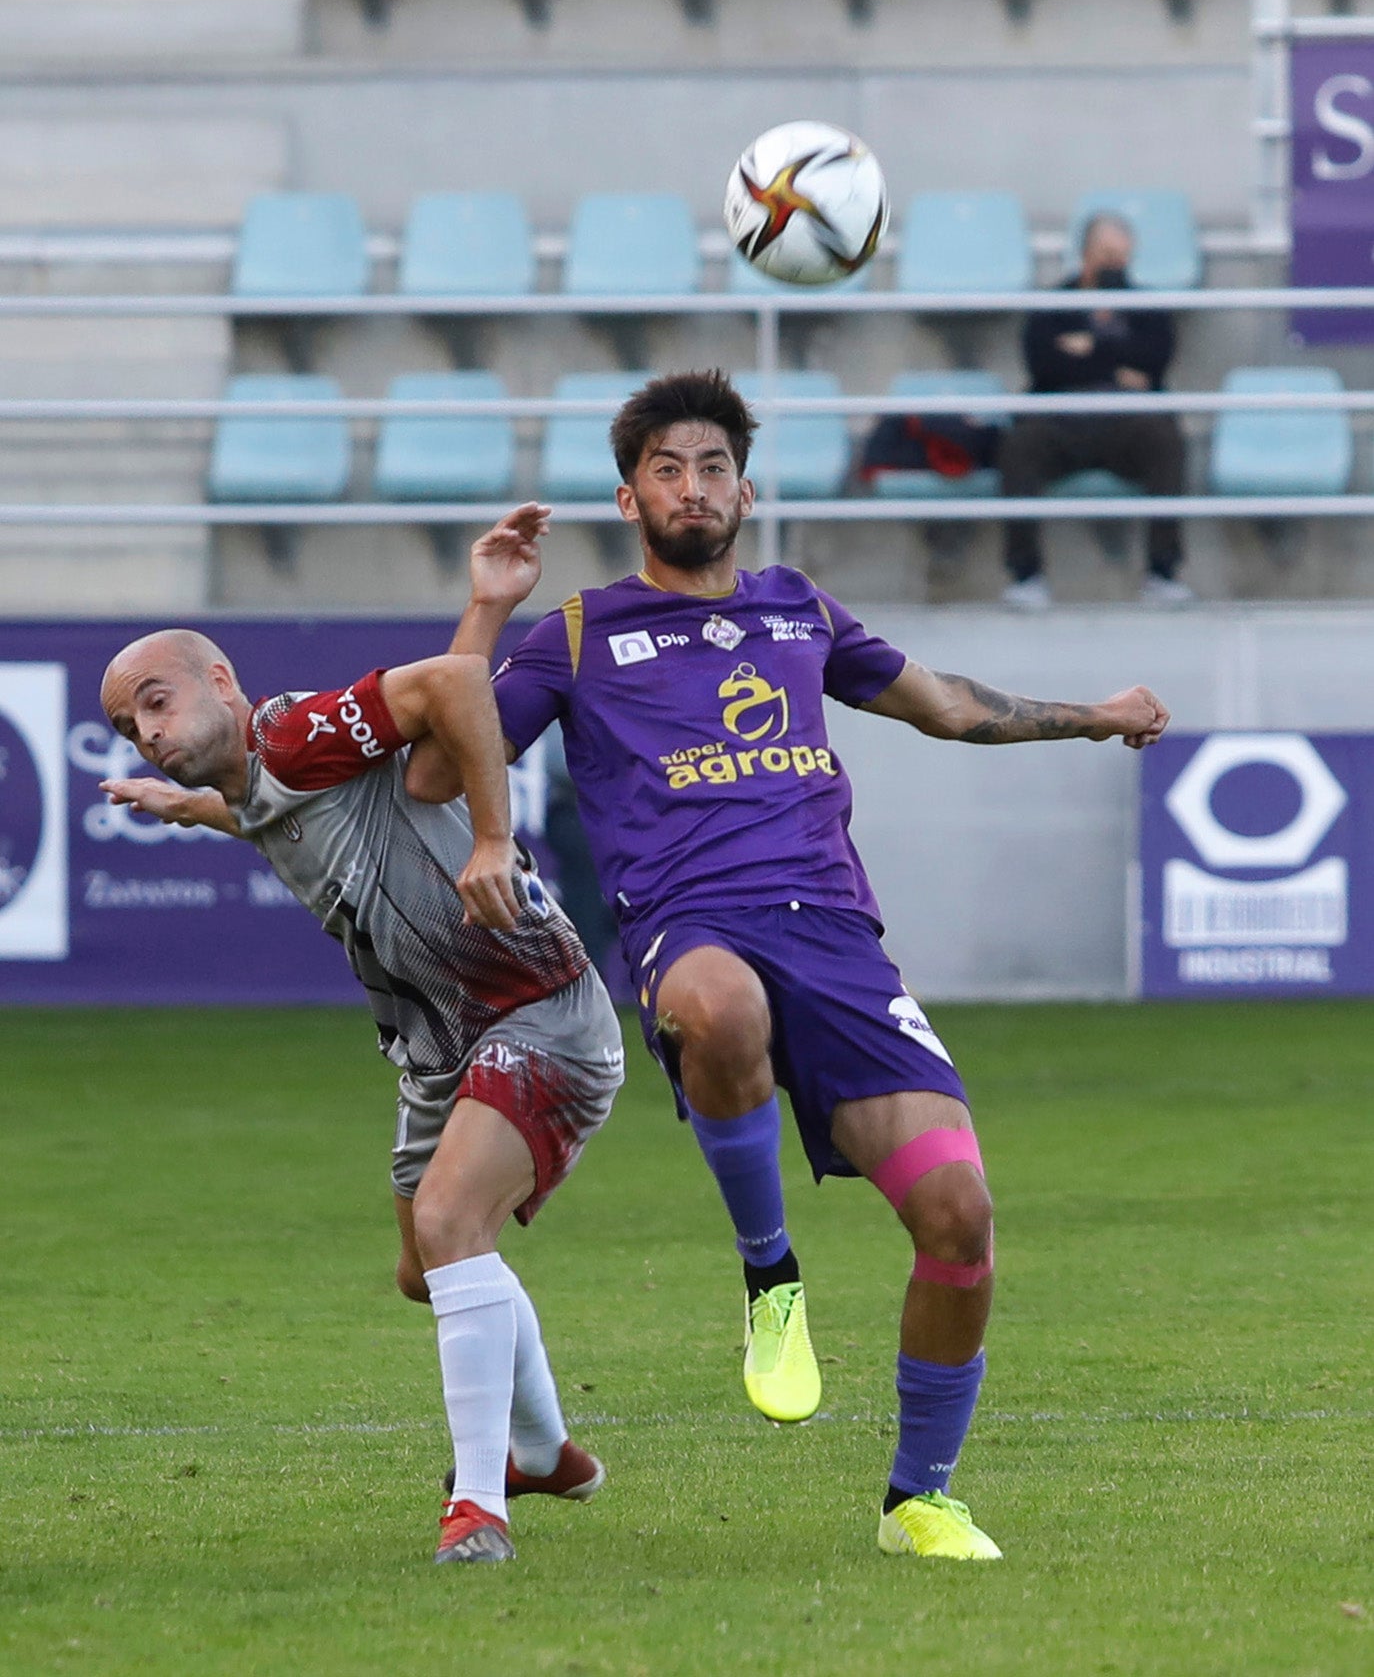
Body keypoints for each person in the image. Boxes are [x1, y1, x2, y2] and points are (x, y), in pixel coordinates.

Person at [403, 370, 1170, 1561]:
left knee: (960, 1220)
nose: (693, 487)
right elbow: (437, 775)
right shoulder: (576, 630)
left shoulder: (799, 609)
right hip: (687, 924)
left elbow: (951, 707)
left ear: (746, 490)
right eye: (668, 469)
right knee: (717, 1006)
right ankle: (772, 1277)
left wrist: (1097, 710)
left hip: (837, 942)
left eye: (713, 467)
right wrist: (489, 612)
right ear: (630, 495)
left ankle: (920, 1496)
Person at [98, 622, 624, 1567]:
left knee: (453, 1224)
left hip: (537, 1009)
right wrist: (189, 807)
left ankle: (477, 1508)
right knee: (426, 1270)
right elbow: (268, 811)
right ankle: (541, 1451)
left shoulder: (296, 735)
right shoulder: (260, 780)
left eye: (156, 701)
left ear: (222, 680)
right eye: (128, 725)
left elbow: (460, 681)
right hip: (436, 1048)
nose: (145, 731)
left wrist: (495, 840)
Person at [1000, 212, 1194, 610]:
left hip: (1127, 425)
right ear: (1085, 253)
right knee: (1019, 445)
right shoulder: (1052, 307)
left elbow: (1157, 360)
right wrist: (1122, 366)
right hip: (1062, 421)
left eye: (1122, 256)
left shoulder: (1146, 308)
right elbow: (1043, 364)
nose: (1115, 264)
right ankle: (1026, 577)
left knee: (1165, 439)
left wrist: (1090, 347)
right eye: (1107, 253)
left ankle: (1161, 574)